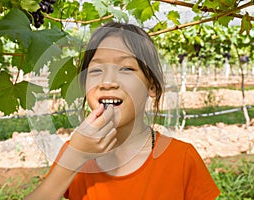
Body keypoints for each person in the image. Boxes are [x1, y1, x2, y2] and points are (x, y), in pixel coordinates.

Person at [25, 22, 220, 200]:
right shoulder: (75, 151)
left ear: (151, 86)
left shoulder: (183, 158)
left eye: (126, 69)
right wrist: (75, 157)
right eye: (96, 70)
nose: (108, 82)